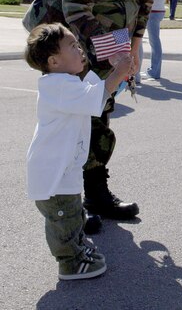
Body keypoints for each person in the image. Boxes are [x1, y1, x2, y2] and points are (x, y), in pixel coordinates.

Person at [23, 0, 162, 233]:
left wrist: (133, 43)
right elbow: (75, 8)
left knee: (100, 108)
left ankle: (93, 193)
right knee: (76, 113)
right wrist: (113, 55)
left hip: (111, 26)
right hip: (65, 29)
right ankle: (72, 204)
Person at [25, 22, 133, 280]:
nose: (80, 49)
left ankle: (77, 249)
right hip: (54, 175)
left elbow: (98, 94)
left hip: (62, 171)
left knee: (72, 216)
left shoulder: (67, 82)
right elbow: (96, 96)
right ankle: (70, 263)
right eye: (72, 46)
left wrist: (116, 73)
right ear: (53, 61)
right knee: (64, 221)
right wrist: (118, 72)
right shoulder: (57, 86)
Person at [136, 0, 169, 82]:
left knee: (153, 41)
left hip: (153, 11)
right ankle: (154, 70)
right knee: (153, 41)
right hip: (157, 10)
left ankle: (154, 71)